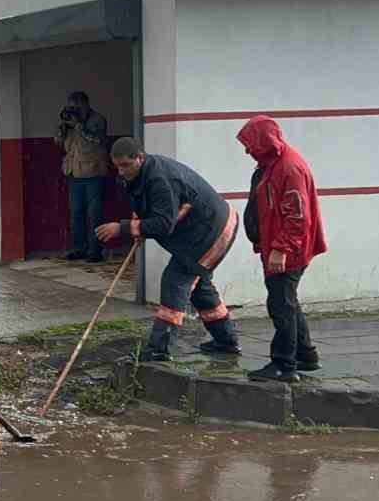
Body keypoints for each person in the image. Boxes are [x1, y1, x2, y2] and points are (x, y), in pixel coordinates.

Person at [96, 138, 241, 362]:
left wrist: (124, 228)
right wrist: (139, 227)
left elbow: (164, 224)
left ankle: (159, 348)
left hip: (211, 231)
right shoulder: (142, 175)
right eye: (117, 166)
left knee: (175, 281)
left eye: (126, 165)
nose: (122, 171)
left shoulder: (160, 179)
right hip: (205, 229)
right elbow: (149, 207)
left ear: (140, 158)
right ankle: (226, 341)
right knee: (200, 287)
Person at [238, 116, 327, 383]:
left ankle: (284, 365)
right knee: (288, 300)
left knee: (280, 304)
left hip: (288, 249)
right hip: (280, 245)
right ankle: (306, 355)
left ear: (264, 142)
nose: (247, 150)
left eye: (249, 144)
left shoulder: (288, 168)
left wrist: (281, 249)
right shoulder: (272, 164)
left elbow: (297, 216)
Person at [56, 91, 110, 262]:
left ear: (85, 104)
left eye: (76, 107)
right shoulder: (69, 122)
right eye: (70, 107)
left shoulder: (97, 120)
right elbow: (58, 143)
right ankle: (79, 248)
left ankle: (96, 251)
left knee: (94, 214)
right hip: (74, 172)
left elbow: (98, 140)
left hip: (94, 173)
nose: (73, 110)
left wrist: (80, 125)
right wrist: (63, 128)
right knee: (76, 214)